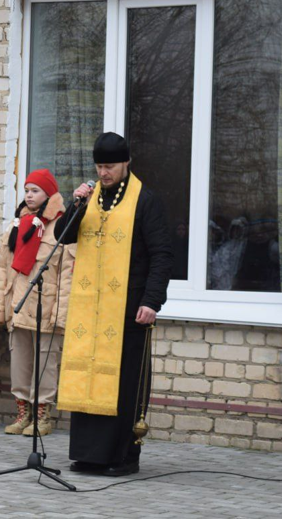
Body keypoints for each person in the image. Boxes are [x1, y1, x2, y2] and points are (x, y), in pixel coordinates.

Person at [55, 132, 173, 477]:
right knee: (88, 377)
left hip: (130, 308)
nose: (104, 173)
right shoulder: (90, 199)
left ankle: (122, 457)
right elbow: (63, 236)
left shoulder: (145, 200)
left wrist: (152, 300)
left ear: (126, 164)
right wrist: (75, 204)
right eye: (100, 166)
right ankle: (88, 454)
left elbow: (162, 255)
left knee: (123, 383)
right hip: (89, 311)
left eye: (110, 166)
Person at [0, 169, 75, 437]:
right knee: (20, 363)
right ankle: (23, 413)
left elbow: (67, 275)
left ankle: (43, 416)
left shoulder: (61, 226)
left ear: (49, 194)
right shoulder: (17, 224)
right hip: (18, 306)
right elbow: (3, 269)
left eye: (35, 190)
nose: (29, 194)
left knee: (45, 365)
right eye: (26, 189)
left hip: (45, 309)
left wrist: (61, 315)